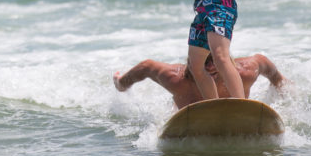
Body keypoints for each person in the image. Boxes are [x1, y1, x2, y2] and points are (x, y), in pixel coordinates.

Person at [114, 53, 286, 110]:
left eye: (214, 61)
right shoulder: (176, 79)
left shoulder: (244, 73)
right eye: (204, 62)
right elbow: (146, 66)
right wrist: (122, 83)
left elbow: (262, 61)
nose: (210, 67)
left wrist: (279, 82)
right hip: (188, 115)